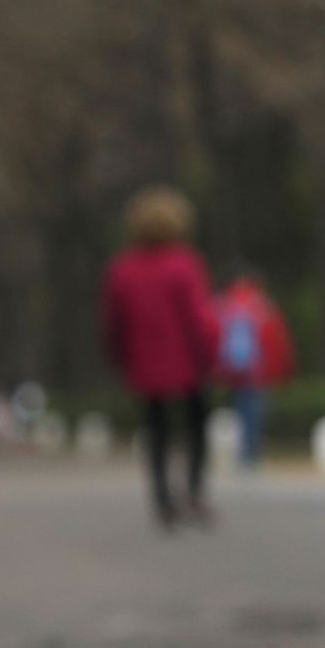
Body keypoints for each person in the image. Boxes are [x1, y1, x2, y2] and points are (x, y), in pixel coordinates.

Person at [99, 188, 218, 526]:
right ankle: (194, 491)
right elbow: (198, 317)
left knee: (157, 428)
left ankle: (163, 498)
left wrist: (119, 357)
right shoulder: (184, 264)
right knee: (196, 424)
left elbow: (113, 322)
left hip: (145, 363)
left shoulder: (122, 269)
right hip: (188, 361)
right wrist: (210, 352)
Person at [212, 270, 296, 465]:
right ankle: (252, 452)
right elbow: (277, 339)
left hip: (232, 369)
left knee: (240, 407)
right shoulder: (262, 304)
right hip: (257, 369)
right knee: (254, 409)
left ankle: (243, 452)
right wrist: (283, 368)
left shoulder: (223, 304)